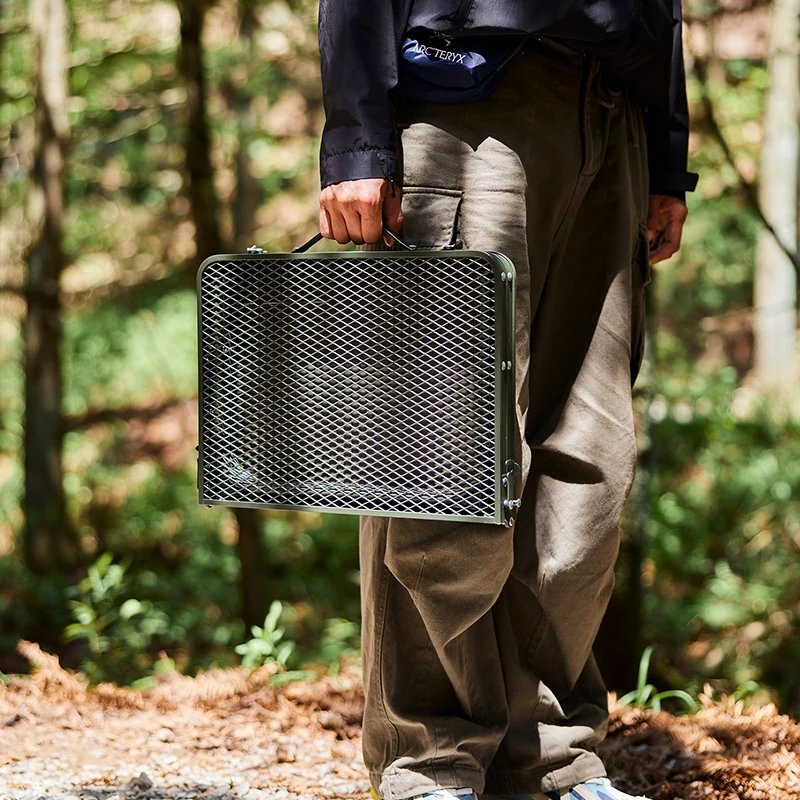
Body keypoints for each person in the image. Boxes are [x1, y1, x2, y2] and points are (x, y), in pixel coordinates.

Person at [316, 3, 698, 800]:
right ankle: (433, 757)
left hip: (613, 113)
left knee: (589, 464)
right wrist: (358, 132)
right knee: (441, 456)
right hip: (465, 96)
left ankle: (553, 755)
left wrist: (666, 154)